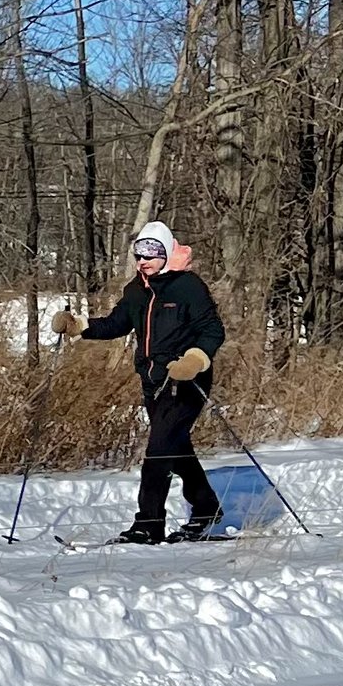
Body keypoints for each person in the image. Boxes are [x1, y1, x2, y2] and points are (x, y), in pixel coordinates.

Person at [55, 219, 228, 543]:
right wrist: (79, 326)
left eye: (151, 252)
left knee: (158, 454)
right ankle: (206, 507)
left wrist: (194, 359)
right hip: (153, 382)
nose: (143, 260)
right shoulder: (136, 290)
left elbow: (213, 330)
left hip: (187, 381)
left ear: (167, 253)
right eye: (139, 253)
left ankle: (148, 525)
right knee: (175, 450)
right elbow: (116, 323)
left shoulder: (188, 286)